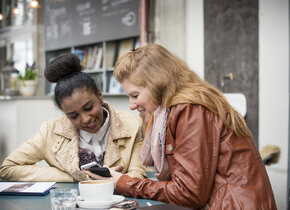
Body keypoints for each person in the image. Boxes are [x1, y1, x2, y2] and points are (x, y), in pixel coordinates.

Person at [84, 44, 277, 209]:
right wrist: (124, 180)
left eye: (135, 95)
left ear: (157, 84)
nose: (131, 105)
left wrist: (123, 182)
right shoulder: (179, 108)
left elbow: (190, 192)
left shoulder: (190, 110)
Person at [0, 53, 146, 182]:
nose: (85, 119)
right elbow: (7, 168)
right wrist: (76, 176)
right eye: (73, 116)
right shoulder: (50, 131)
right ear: (65, 113)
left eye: (89, 108)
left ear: (99, 96)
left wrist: (110, 180)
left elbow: (137, 177)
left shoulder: (132, 125)